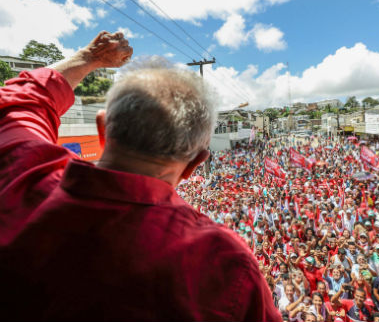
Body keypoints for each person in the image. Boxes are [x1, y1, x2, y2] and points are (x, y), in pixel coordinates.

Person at [0, 31, 281, 321]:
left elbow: (20, 99)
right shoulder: (223, 263)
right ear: (195, 164)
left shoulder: (21, 172)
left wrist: (89, 58)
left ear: (102, 130)